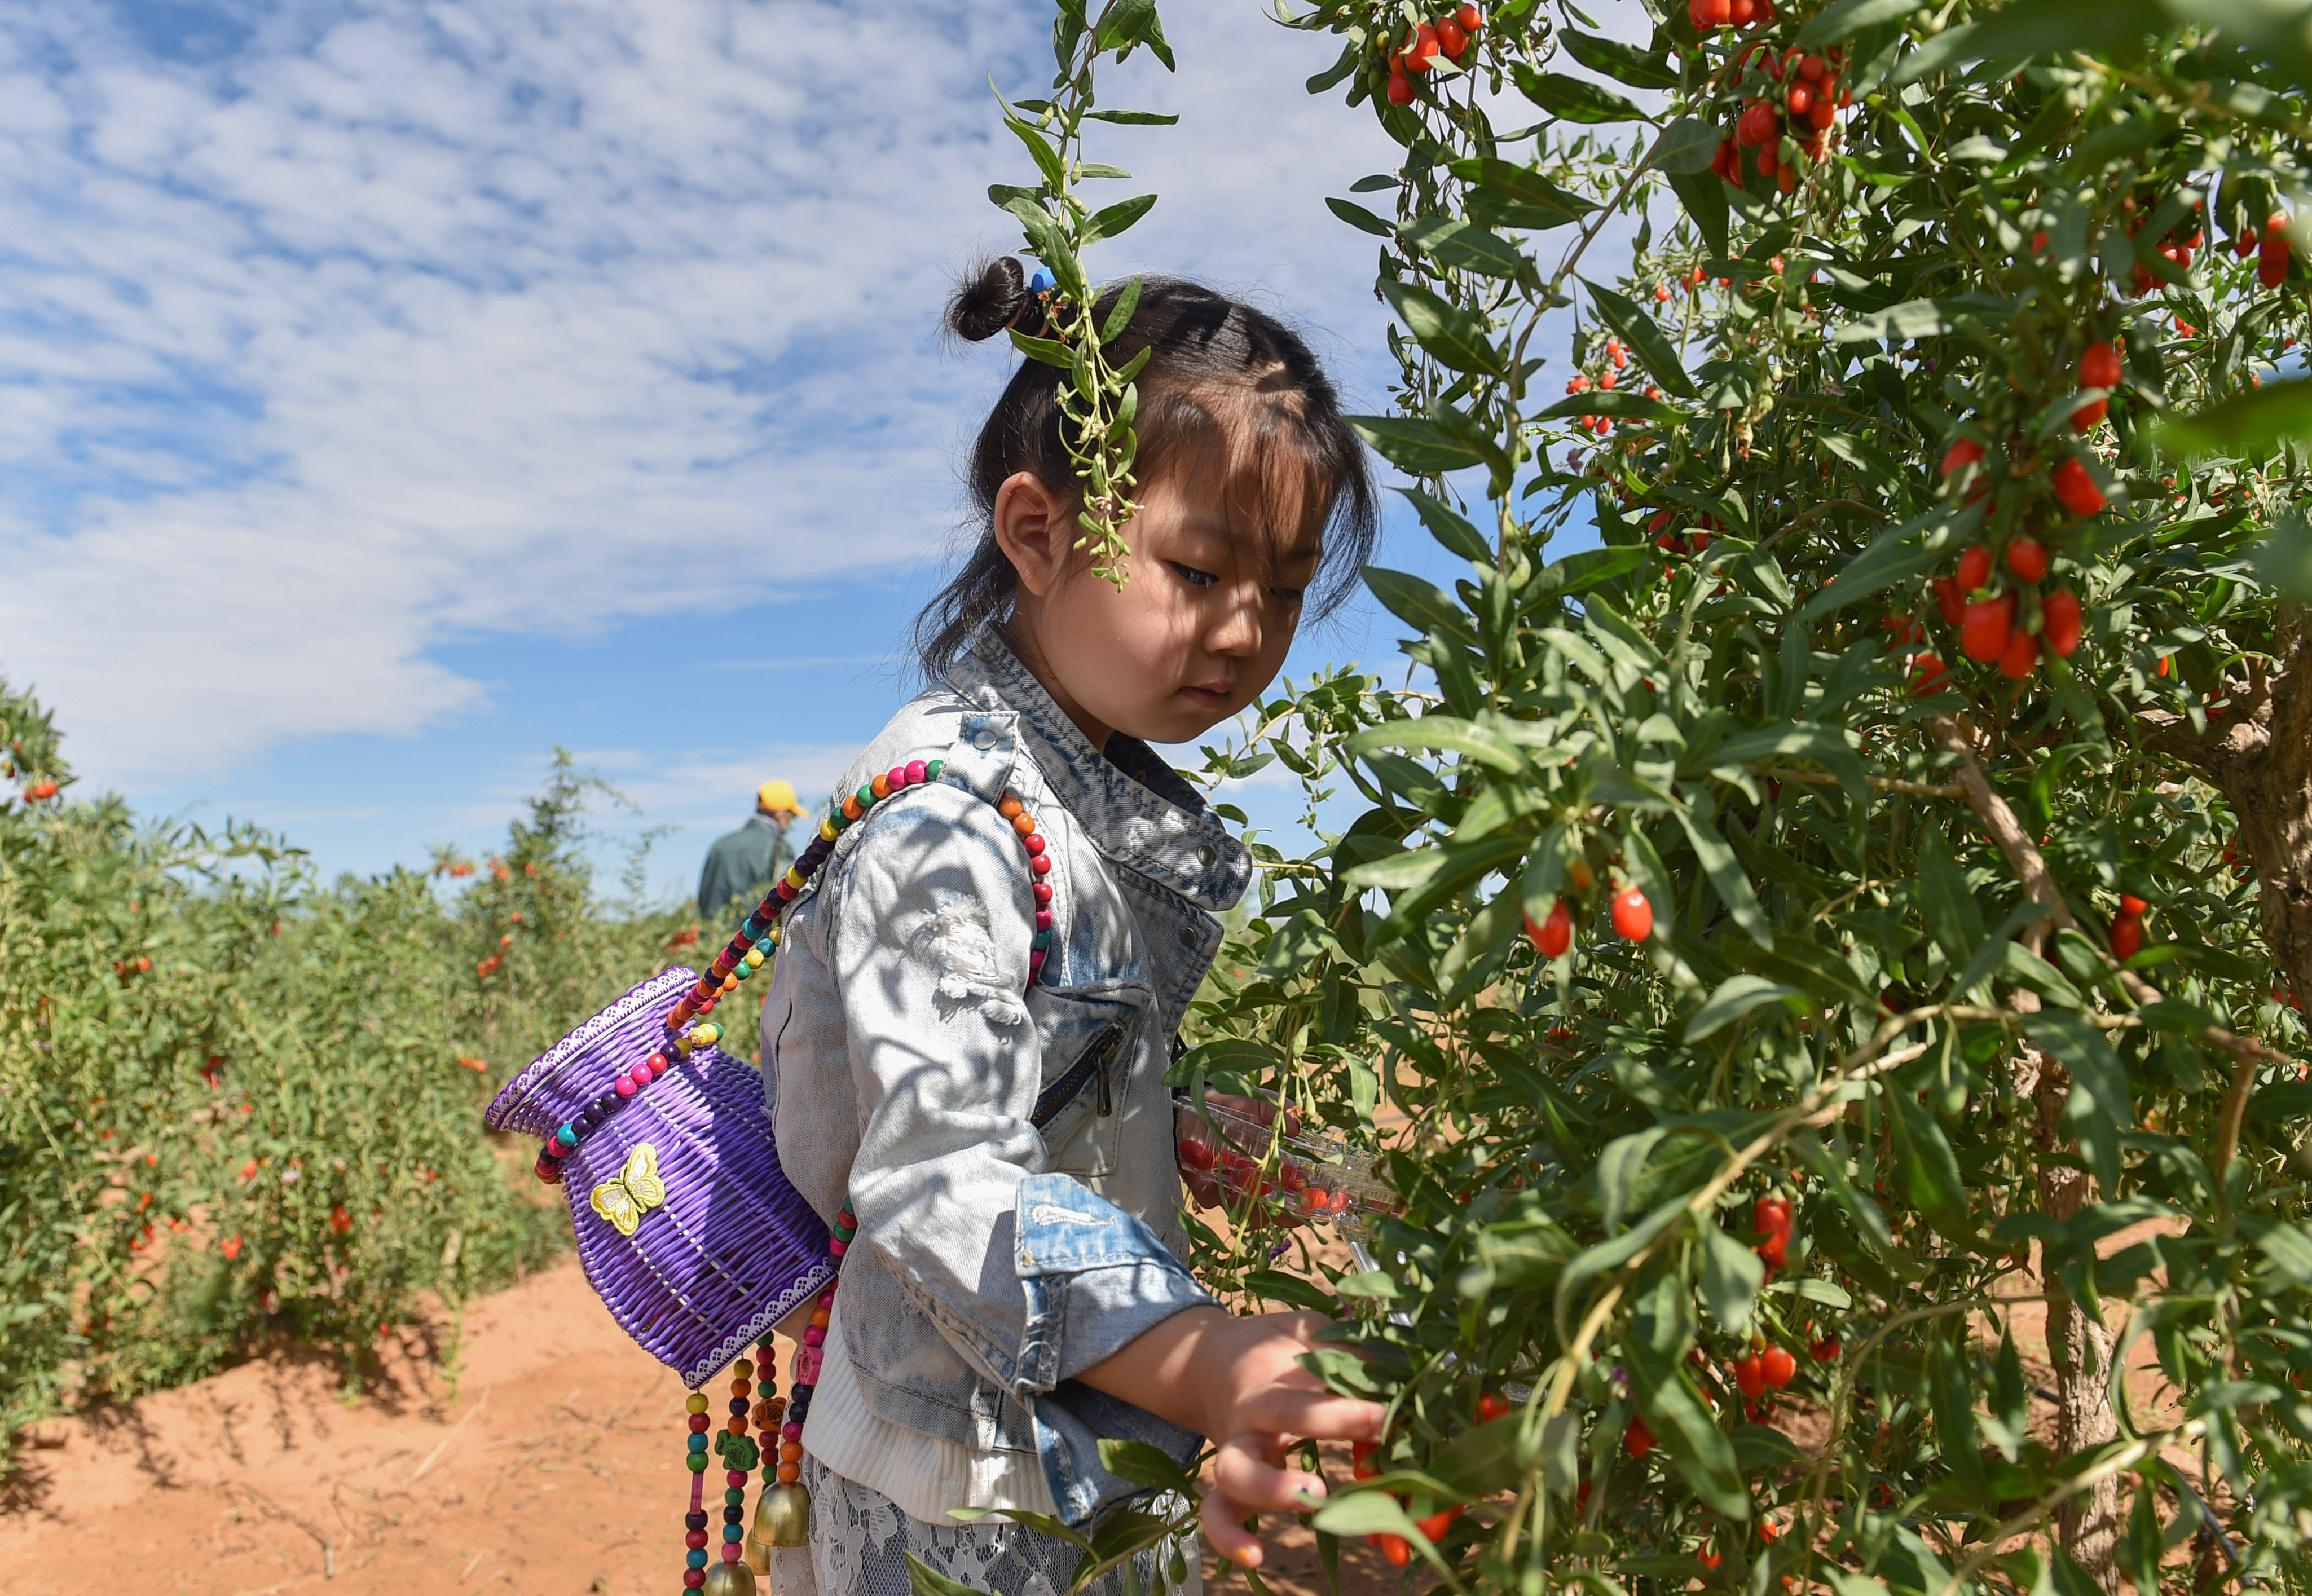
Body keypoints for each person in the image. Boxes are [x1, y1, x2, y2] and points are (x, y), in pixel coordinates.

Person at [759, 259, 1383, 1596]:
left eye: (1280, 590)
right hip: (956, 1491)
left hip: (1074, 1437)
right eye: (1200, 567)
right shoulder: (944, 823)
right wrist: (1209, 1357)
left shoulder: (1085, 800)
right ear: (1035, 534)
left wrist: (1224, 1140)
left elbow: (1051, 1074)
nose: (1245, 630)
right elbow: (945, 1184)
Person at [699, 781, 801, 924]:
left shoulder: (720, 845)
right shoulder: (779, 848)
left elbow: (704, 899)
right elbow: (788, 903)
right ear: (782, 815)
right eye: (792, 816)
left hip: (710, 943)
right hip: (754, 944)